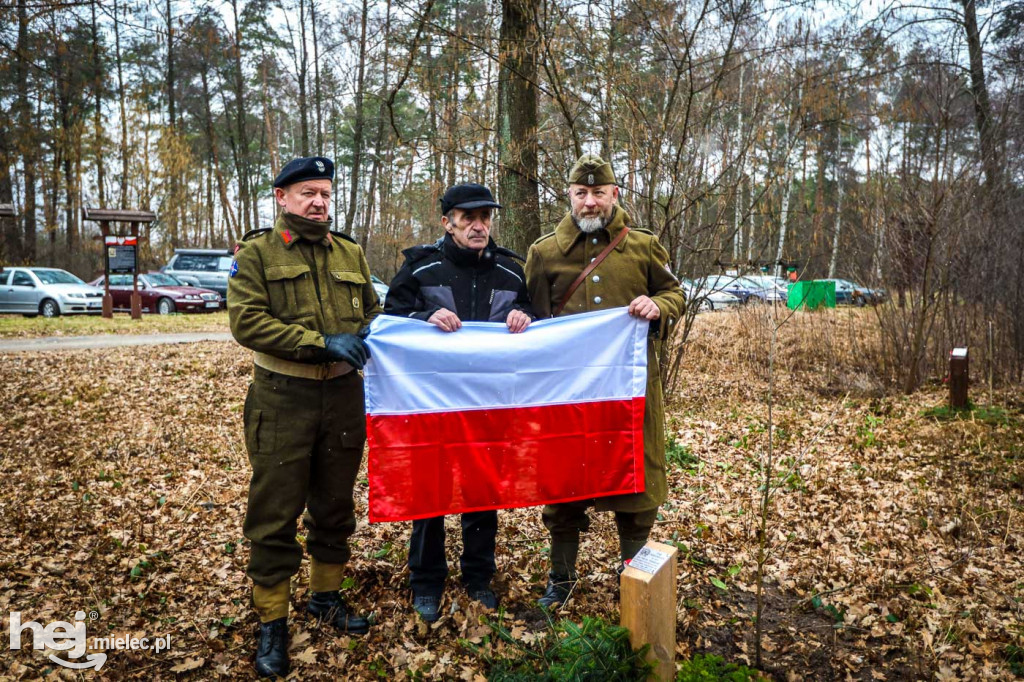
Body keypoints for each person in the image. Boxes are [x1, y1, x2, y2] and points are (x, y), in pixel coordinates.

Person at [228, 156, 381, 678]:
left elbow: (372, 313)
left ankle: (325, 597)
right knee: (275, 512)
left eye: (325, 192)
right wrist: (319, 344)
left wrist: (390, 332)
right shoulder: (258, 253)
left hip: (342, 395)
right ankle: (272, 619)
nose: (318, 201)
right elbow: (248, 322)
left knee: (335, 504)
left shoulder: (350, 252)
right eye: (307, 192)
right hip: (282, 397)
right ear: (282, 197)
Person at [524, 152, 686, 608]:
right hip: (567, 397)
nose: (590, 202)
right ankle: (562, 579)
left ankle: (635, 578)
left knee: (638, 483)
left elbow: (674, 292)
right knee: (563, 485)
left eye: (599, 193)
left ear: (615, 194)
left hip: (631, 392)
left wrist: (660, 308)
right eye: (582, 194)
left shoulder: (643, 246)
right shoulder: (544, 252)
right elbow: (533, 317)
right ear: (570, 197)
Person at [384, 182, 533, 622]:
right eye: (467, 217)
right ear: (446, 222)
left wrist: (527, 317)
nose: (478, 225)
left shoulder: (511, 273)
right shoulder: (420, 269)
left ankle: (478, 578)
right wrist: (421, 317)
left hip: (489, 406)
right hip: (432, 407)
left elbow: (534, 322)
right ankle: (426, 582)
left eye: (485, 216)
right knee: (431, 496)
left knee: (482, 492)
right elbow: (387, 320)